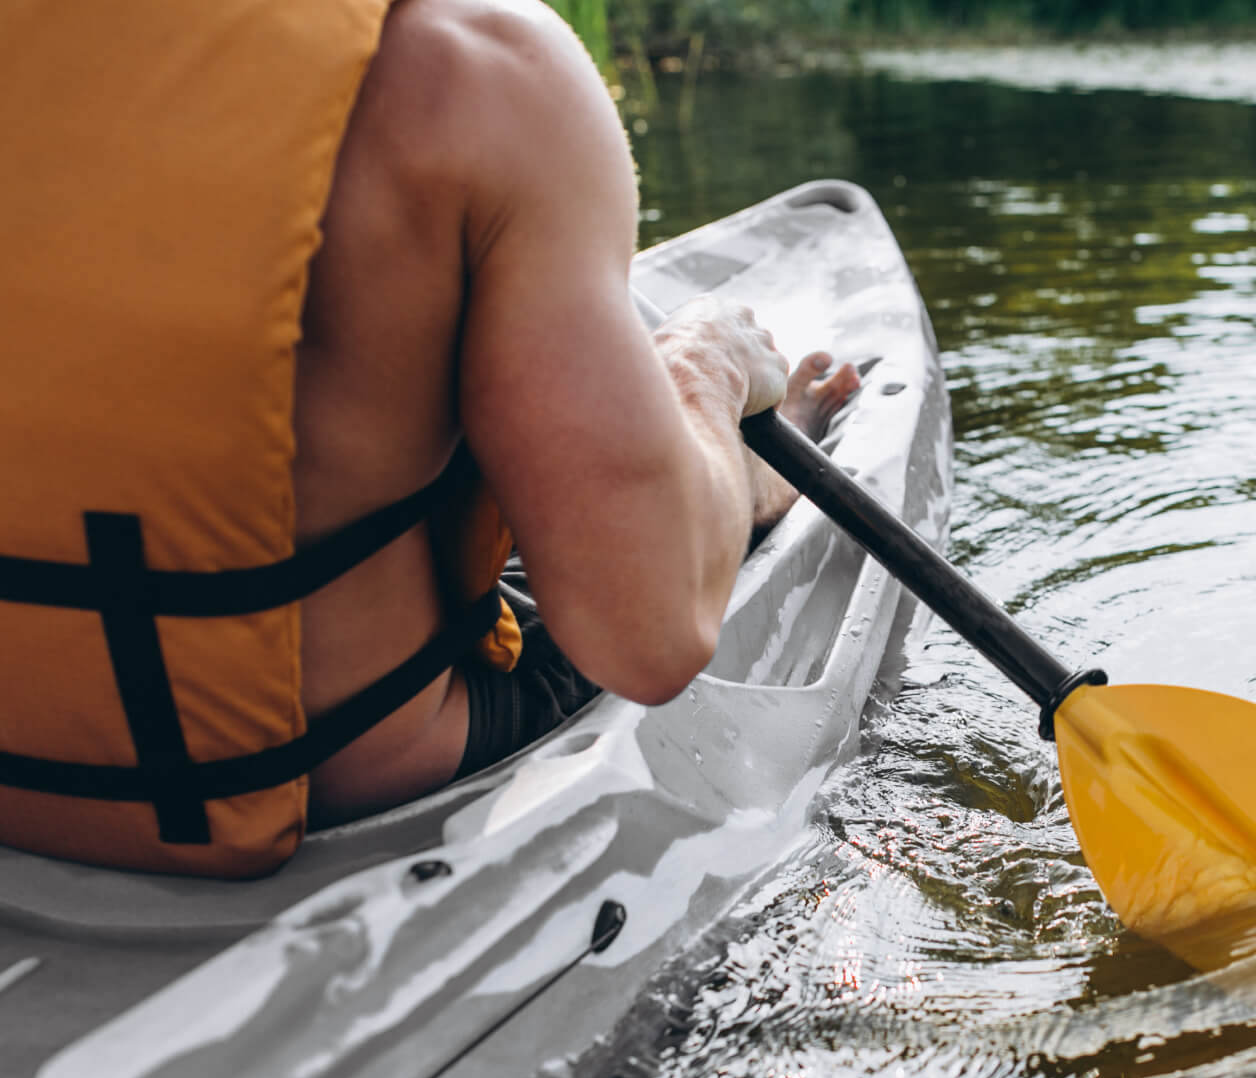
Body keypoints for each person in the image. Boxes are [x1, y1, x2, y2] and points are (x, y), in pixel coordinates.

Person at [0, 0, 859, 876]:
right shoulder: (476, 66)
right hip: (343, 770)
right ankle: (722, 459)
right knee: (615, 539)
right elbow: (646, 636)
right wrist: (701, 365)